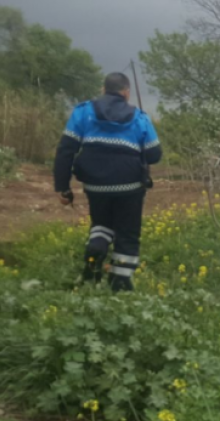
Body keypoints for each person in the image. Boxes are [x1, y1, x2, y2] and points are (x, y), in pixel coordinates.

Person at [53, 72, 162, 291]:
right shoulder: (140, 117)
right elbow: (154, 155)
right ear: (126, 92)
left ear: (103, 90)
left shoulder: (83, 112)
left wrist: (63, 187)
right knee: (127, 233)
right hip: (130, 186)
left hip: (96, 185)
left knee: (101, 224)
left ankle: (93, 265)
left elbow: (66, 150)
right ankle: (120, 283)